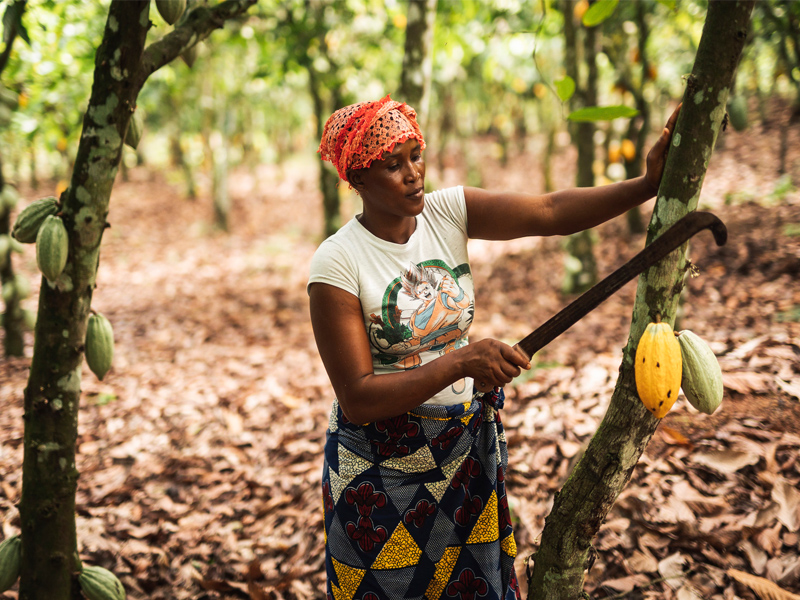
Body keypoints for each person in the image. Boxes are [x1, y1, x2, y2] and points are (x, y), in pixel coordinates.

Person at [308, 94, 679, 600]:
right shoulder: (338, 262)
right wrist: (460, 361)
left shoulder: (447, 212)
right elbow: (359, 398)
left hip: (463, 454)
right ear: (359, 180)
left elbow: (550, 211)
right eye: (392, 165)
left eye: (416, 155)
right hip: (380, 472)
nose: (414, 173)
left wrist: (646, 186)